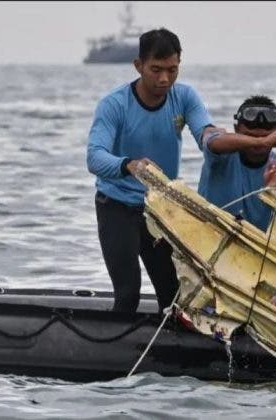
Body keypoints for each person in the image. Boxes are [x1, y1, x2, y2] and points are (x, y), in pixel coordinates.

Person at [86, 28, 217, 314]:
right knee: (128, 293)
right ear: (138, 66)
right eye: (156, 70)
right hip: (117, 207)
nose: (164, 79)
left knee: (175, 298)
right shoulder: (114, 104)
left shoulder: (184, 97)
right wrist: (128, 165)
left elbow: (206, 134)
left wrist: (233, 142)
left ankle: (170, 355)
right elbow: (94, 158)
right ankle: (119, 354)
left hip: (160, 210)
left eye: (172, 70)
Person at [198, 95, 276, 231]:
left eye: (265, 135)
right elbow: (212, 142)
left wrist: (273, 192)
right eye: (250, 136)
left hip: (255, 245)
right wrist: (263, 141)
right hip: (209, 232)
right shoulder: (221, 154)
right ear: (236, 129)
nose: (259, 142)